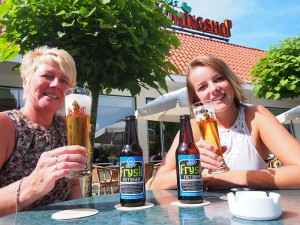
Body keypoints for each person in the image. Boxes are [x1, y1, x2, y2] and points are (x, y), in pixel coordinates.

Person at [150, 55, 300, 190]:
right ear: (196, 98)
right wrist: (191, 167)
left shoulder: (256, 116)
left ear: (230, 80)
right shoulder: (193, 127)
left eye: (219, 79)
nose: (214, 88)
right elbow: (157, 184)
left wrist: (235, 178)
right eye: (202, 87)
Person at [0, 46, 87, 216]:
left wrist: (79, 216)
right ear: (25, 80)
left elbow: (74, 186)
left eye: (64, 80)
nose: (56, 84)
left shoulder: (67, 127)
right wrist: (33, 185)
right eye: (47, 76)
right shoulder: (6, 124)